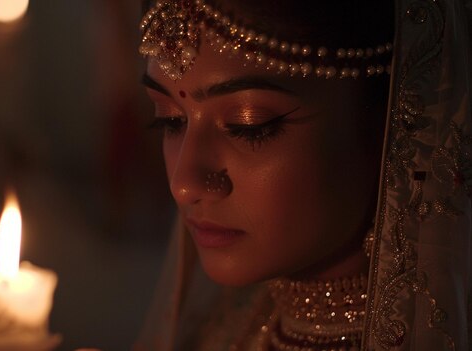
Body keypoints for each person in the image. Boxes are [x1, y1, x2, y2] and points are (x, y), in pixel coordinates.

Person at [133, 0, 472, 350]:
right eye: (170, 119)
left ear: (396, 120)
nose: (184, 185)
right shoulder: (223, 332)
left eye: (249, 126)